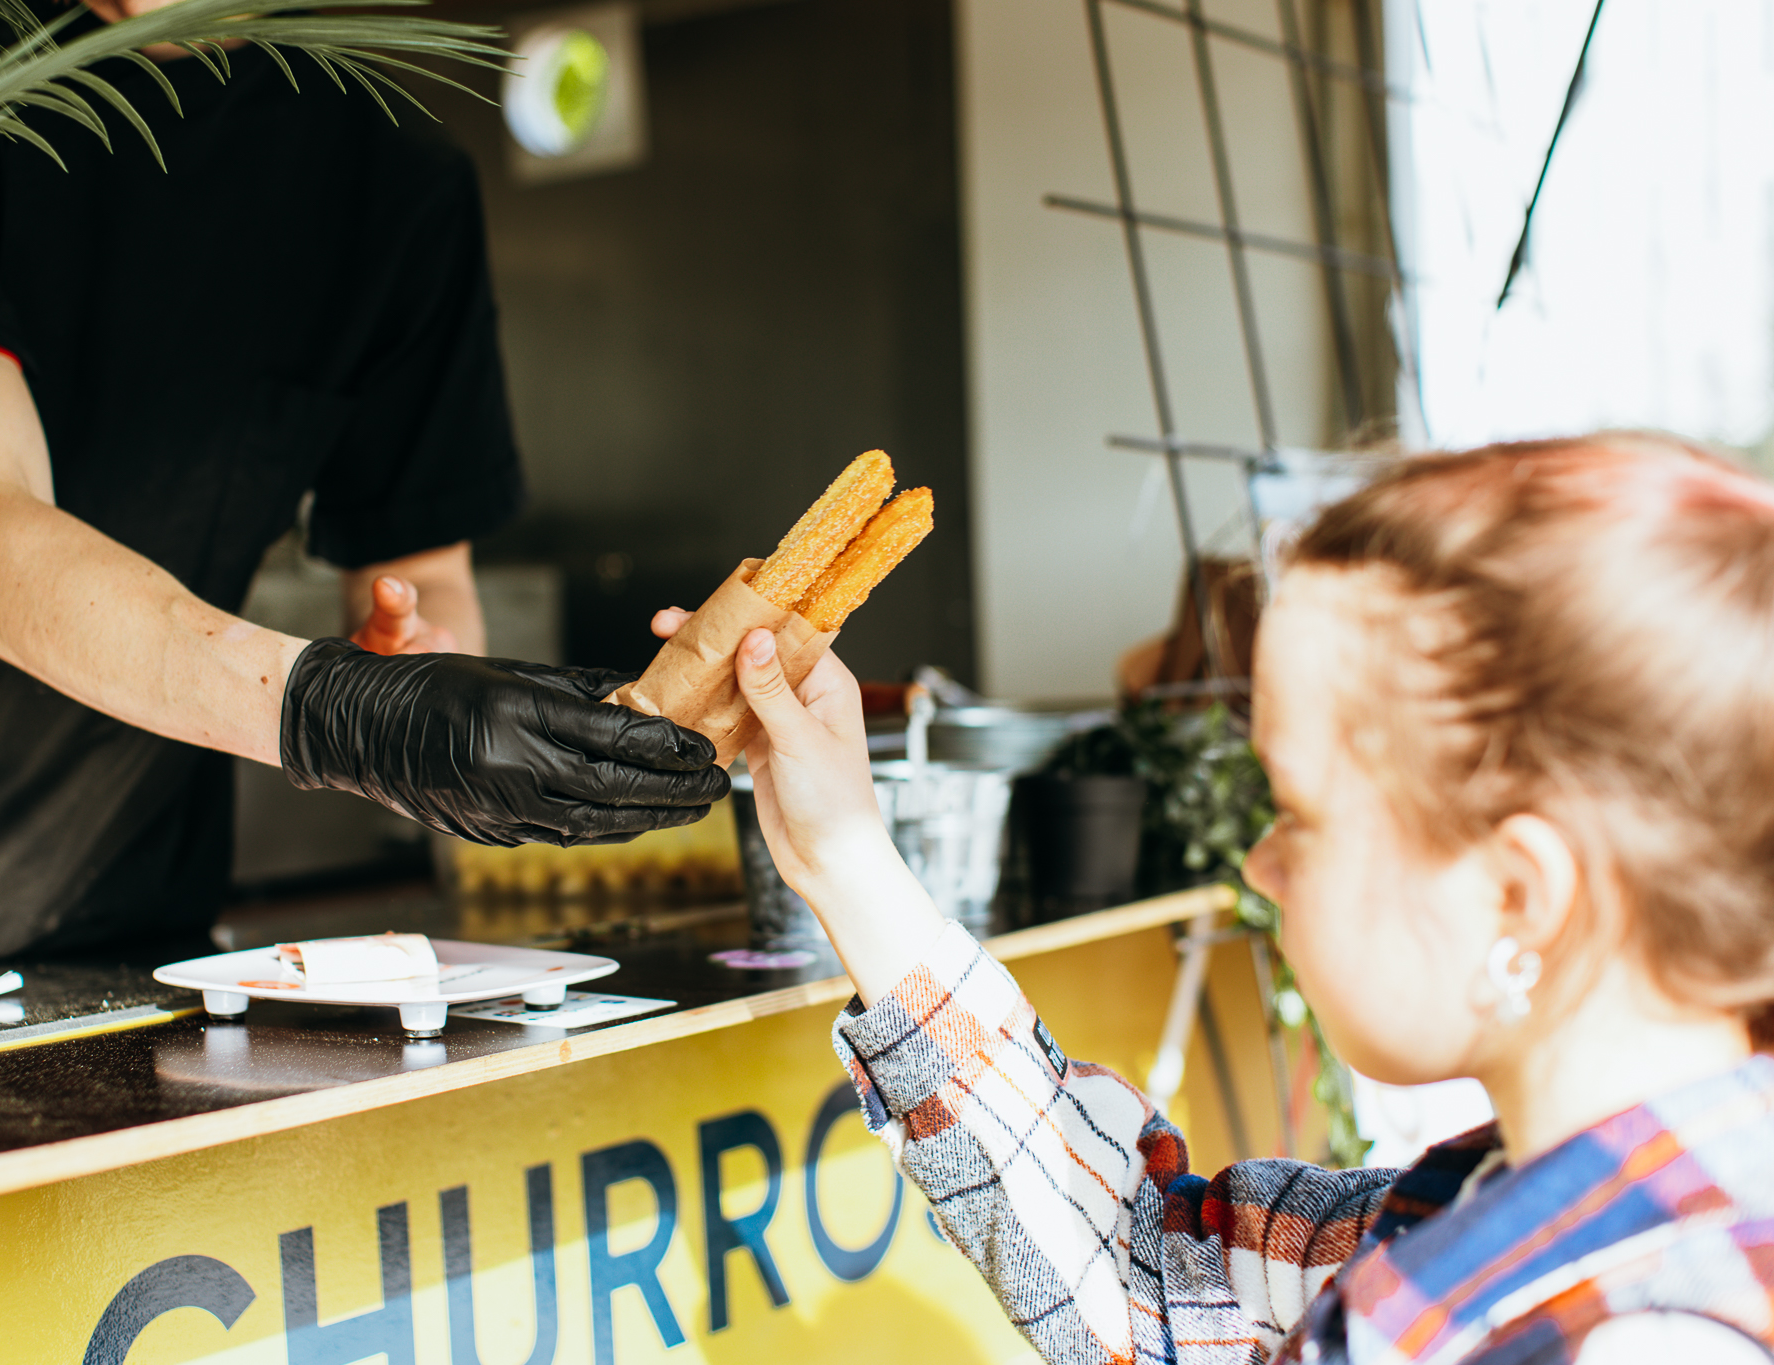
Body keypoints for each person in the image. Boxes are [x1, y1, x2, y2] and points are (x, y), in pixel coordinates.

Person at [696, 433, 1774, 1363]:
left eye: (1296, 811)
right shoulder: (1506, 1213)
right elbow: (1158, 1281)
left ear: (1515, 895)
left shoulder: (1643, 1335)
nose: (1259, 864)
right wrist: (845, 857)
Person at [0, 4, 729, 978]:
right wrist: (346, 715)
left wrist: (416, 667)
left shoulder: (390, 179)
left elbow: (424, 572)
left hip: (130, 918)